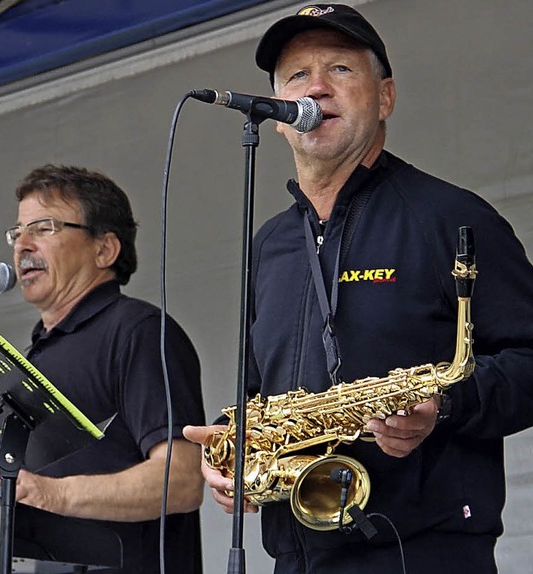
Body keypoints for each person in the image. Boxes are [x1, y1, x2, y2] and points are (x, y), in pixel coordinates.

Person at [184, 4, 533, 573]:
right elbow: (259, 386)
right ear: (276, 114)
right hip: (297, 552)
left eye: (341, 69)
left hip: (422, 552)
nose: (316, 87)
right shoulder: (270, 243)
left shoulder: (452, 218)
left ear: (385, 96)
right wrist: (233, 445)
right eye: (297, 76)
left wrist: (444, 406)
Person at [0, 164, 205, 574]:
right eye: (17, 232)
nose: (22, 246)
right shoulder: (34, 355)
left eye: (44, 228)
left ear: (104, 250)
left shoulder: (139, 332)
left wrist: (54, 495)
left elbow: (183, 481)